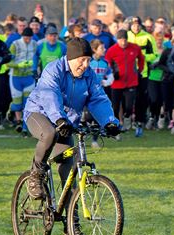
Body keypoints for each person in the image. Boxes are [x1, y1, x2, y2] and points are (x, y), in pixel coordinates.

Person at [23, 37, 120, 202]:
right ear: (71, 58)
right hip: (39, 113)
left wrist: (109, 121)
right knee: (49, 133)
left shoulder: (89, 75)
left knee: (69, 176)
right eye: (82, 60)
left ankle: (72, 224)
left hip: (66, 122)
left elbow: (98, 99)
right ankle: (36, 175)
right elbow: (49, 95)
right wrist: (59, 118)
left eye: (88, 60)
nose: (86, 65)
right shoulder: (54, 69)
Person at [105, 30, 145, 138]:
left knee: (128, 106)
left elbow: (141, 59)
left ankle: (127, 123)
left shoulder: (135, 47)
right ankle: (115, 126)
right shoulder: (111, 50)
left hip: (131, 82)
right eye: (121, 40)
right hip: (116, 83)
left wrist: (139, 70)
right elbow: (106, 63)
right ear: (117, 40)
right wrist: (112, 74)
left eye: (125, 40)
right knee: (115, 106)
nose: (123, 42)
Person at [127, 16, 159, 137]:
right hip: (128, 73)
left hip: (142, 73)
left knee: (141, 99)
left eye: (137, 24)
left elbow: (155, 54)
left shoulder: (148, 37)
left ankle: (139, 122)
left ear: (141, 25)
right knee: (128, 100)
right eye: (133, 24)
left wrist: (142, 57)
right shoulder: (126, 36)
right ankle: (127, 120)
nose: (135, 26)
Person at [8, 27, 36, 136]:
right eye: (25, 38)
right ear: (22, 36)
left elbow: (37, 58)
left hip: (29, 77)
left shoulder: (35, 44)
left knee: (27, 103)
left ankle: (24, 127)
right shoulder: (15, 44)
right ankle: (12, 112)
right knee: (17, 104)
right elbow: (7, 63)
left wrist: (34, 65)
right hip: (16, 77)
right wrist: (18, 65)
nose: (27, 40)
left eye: (29, 38)